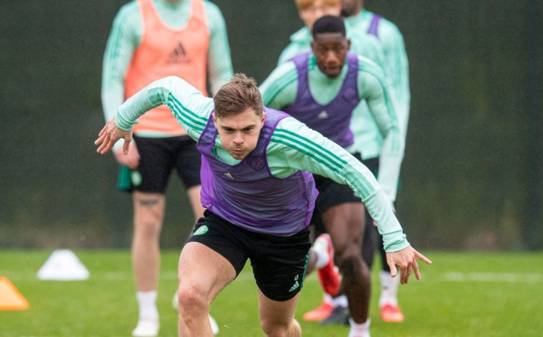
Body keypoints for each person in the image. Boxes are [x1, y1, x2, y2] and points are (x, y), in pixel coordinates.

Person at [94, 74, 431, 337]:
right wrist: (123, 119)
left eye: (248, 129)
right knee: (190, 297)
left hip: (283, 237)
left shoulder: (289, 138)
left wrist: (395, 238)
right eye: (228, 130)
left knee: (277, 328)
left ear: (262, 117)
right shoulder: (197, 118)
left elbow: (356, 172)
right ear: (214, 120)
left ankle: (307, 280)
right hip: (226, 223)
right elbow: (165, 87)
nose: (238, 140)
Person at [260, 15, 403, 333]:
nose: (331, 58)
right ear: (312, 48)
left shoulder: (365, 74)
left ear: (348, 46)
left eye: (337, 49)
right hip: (295, 172)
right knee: (284, 265)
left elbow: (392, 130)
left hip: (339, 167)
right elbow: (252, 119)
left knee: (351, 255)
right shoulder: (289, 78)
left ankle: (360, 330)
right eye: (323, 50)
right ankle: (319, 258)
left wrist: (387, 190)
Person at [100, 0, 232, 335]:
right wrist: (118, 134)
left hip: (195, 131)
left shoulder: (209, 14)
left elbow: (221, 76)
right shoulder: (133, 15)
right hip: (144, 134)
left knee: (210, 216)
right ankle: (147, 315)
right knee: (147, 219)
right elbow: (112, 77)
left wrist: (227, 128)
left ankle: (192, 298)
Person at [342, 0, 411, 323]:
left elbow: (399, 92)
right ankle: (342, 302)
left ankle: (389, 295)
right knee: (345, 227)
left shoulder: (384, 33)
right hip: (337, 146)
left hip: (373, 143)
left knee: (381, 217)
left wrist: (394, 142)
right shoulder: (318, 31)